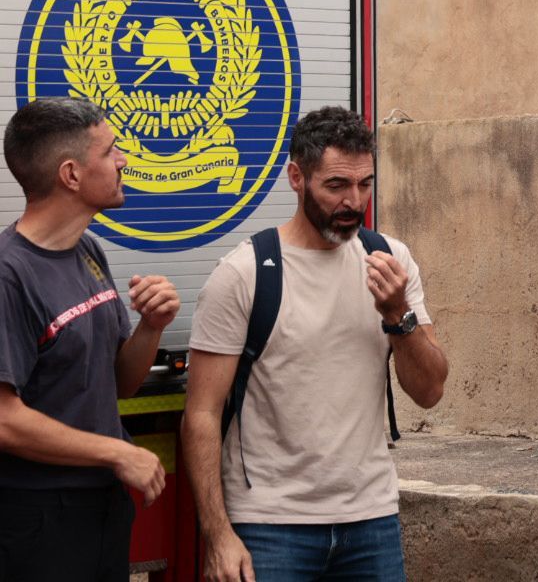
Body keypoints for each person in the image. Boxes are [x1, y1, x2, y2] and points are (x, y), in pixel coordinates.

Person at [181, 107, 448, 582]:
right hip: (269, 525)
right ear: (296, 178)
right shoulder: (243, 273)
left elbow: (429, 391)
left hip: (371, 520)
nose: (354, 200)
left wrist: (398, 316)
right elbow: (200, 414)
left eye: (365, 184)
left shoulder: (390, 258)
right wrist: (218, 535)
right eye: (337, 186)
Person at [0, 98, 178, 581]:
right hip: (38, 518)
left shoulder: (88, 248)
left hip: (101, 505)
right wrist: (118, 452)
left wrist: (152, 324)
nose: (123, 160)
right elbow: (4, 420)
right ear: (71, 175)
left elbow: (121, 382)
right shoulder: (9, 274)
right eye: (111, 150)